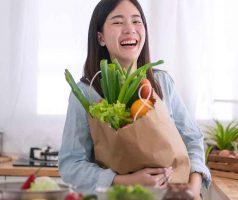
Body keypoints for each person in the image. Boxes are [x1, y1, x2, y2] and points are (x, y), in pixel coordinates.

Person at [58, 0, 211, 198]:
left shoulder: (162, 83)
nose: (130, 29)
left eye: (136, 21)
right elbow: (70, 164)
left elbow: (192, 138)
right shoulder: (87, 93)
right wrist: (124, 181)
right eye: (118, 22)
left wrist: (194, 187)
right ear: (100, 37)